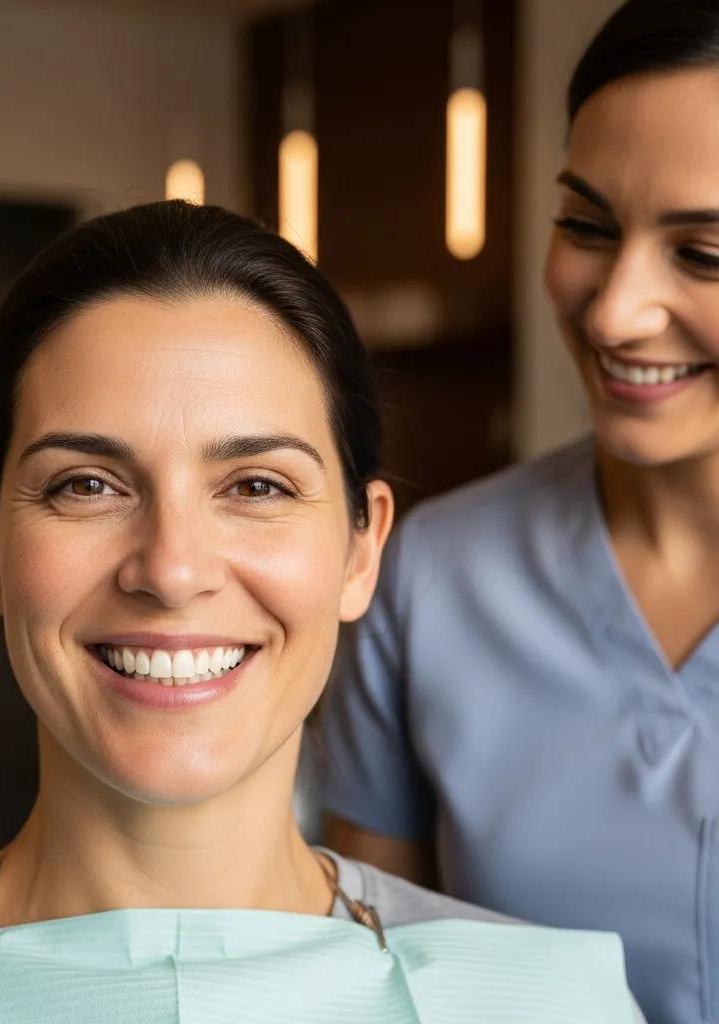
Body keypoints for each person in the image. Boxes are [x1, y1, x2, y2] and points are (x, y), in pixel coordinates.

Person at [0, 202, 640, 1021]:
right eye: (87, 484)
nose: (174, 569)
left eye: (259, 486)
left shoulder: (556, 1004)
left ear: (363, 549)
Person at [321, 3, 719, 1023]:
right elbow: (377, 980)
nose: (615, 310)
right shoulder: (430, 579)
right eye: (586, 227)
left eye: (705, 254)